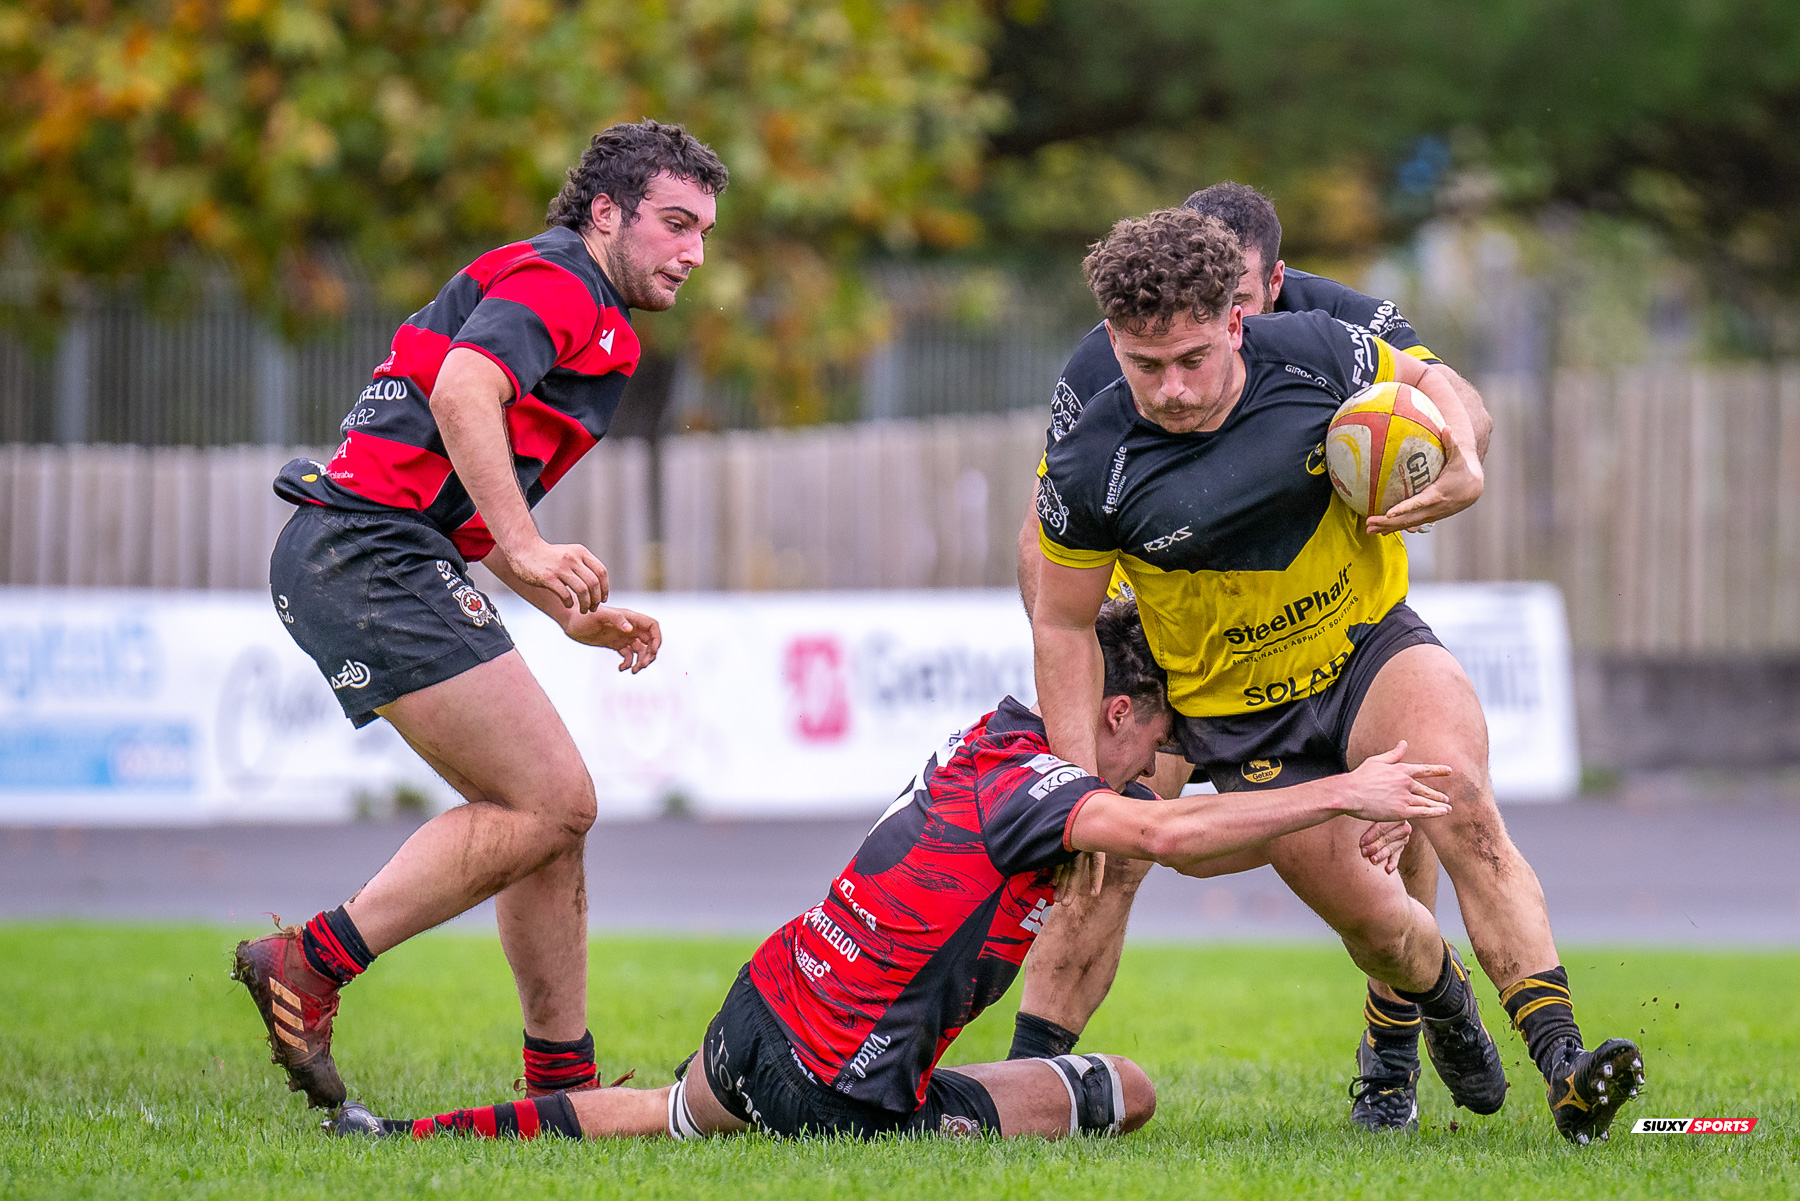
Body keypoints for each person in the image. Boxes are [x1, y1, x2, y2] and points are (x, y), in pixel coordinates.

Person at [323, 600, 1455, 1143]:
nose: (1171, 768)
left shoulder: (997, 740)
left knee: (670, 1114)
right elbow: (1165, 837)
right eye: (1168, 739)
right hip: (834, 1086)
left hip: (755, 1013)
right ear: (1119, 711)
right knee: (1130, 1091)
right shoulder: (1056, 793)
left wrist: (1296, 813)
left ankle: (405, 1137)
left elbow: (1188, 833)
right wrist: (1343, 791)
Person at [1029, 207, 1644, 1145]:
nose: (1174, 388)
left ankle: (1566, 1063)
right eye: (1146, 366)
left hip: (1366, 650)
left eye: (1193, 358)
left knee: (1460, 801)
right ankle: (1435, 1000)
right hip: (1230, 713)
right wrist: (1074, 790)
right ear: (1112, 340)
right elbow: (1062, 621)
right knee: (1367, 925)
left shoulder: (1319, 348)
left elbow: (1441, 387)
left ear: (1239, 320)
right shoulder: (1087, 457)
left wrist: (1467, 457)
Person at [232, 120, 728, 1111]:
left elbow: (462, 472)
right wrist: (538, 552)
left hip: (372, 546)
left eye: (706, 232)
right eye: (675, 225)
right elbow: (465, 391)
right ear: (605, 213)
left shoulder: (579, 303)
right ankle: (311, 959)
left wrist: (558, 606)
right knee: (554, 801)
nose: (695, 254)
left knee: (548, 817)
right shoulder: (562, 285)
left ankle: (562, 1087)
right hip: (366, 551)